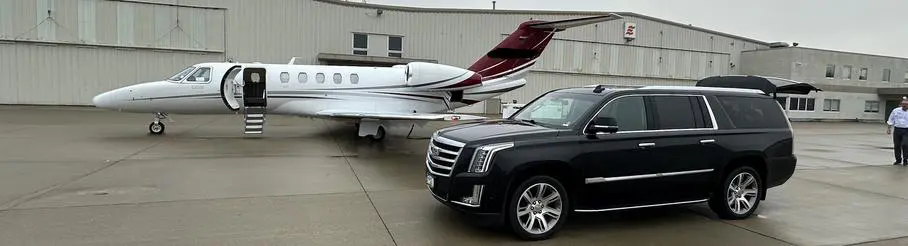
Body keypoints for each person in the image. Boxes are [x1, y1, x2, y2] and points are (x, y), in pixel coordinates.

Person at [886, 99, 908, 165]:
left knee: (905, 144)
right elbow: (891, 119)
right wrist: (889, 128)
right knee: (897, 145)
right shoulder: (896, 110)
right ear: (901, 104)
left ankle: (905, 159)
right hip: (897, 130)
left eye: (906, 105)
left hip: (906, 130)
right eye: (903, 104)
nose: (905, 106)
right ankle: (898, 160)